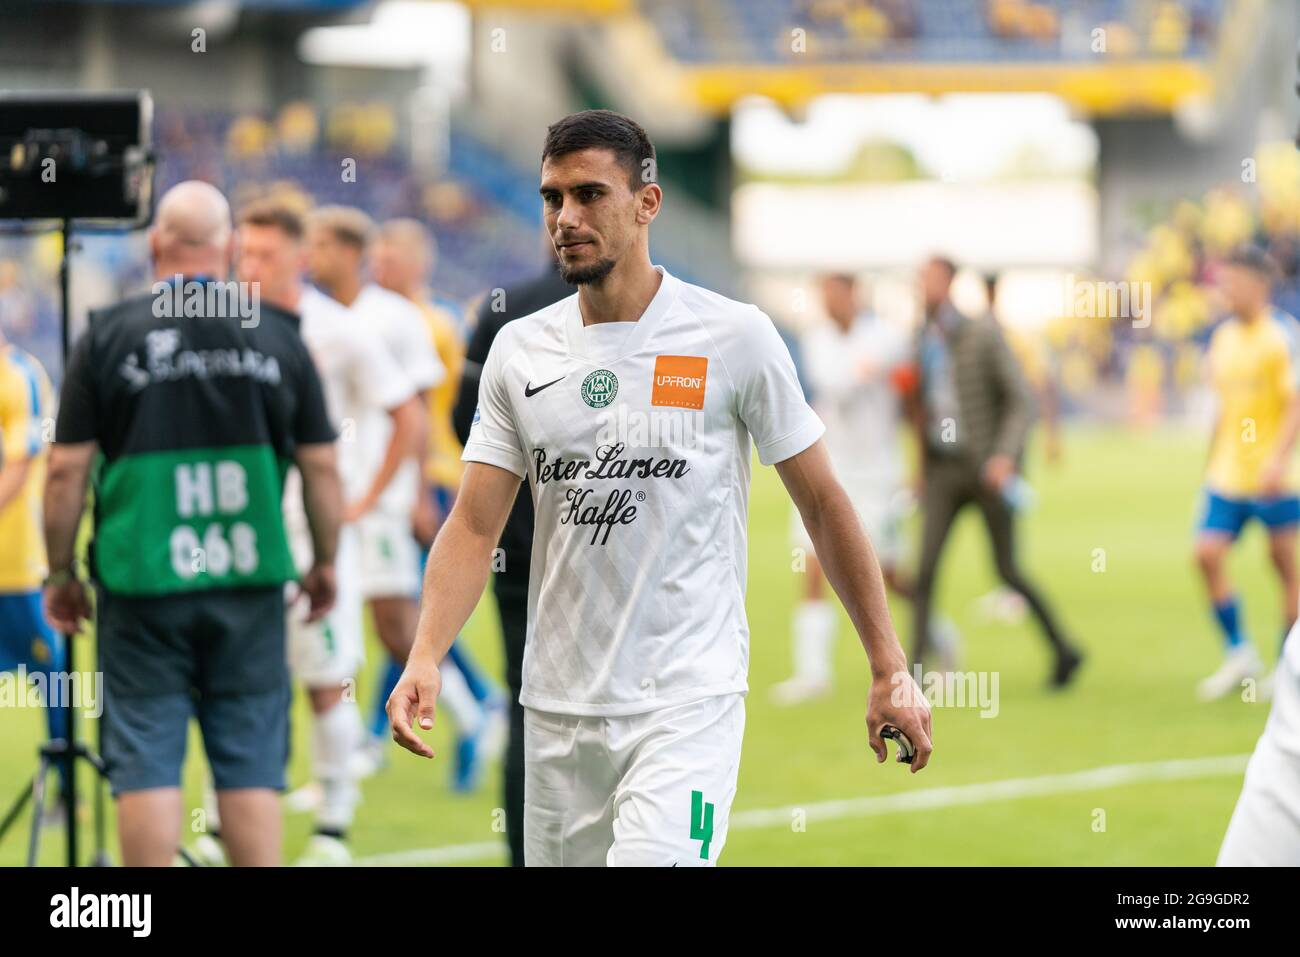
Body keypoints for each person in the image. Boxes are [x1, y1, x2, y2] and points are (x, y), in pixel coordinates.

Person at [389, 109, 932, 867]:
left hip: (688, 702)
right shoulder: (520, 350)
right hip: (556, 708)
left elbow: (822, 502)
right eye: (552, 198)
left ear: (648, 203)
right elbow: (476, 525)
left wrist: (887, 663)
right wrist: (425, 654)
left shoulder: (734, 337)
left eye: (589, 194)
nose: (566, 218)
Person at [43, 181, 342, 866]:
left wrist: (60, 572)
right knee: (248, 756)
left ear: (155, 247)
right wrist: (324, 561)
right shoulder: (279, 333)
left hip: (142, 578)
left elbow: (64, 471)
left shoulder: (107, 333)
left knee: (145, 755)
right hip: (250, 576)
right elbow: (323, 468)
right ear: (230, 249)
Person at [234, 198, 419, 865]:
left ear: (298, 258)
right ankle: (226, 822)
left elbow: (408, 414)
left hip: (315, 535)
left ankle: (332, 825)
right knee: (239, 681)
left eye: (264, 254)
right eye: (243, 252)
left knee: (326, 679)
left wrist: (362, 499)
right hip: (243, 535)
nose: (250, 266)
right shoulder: (228, 323)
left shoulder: (337, 330)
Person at [772, 273, 958, 705]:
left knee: (887, 577)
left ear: (854, 294)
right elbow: (833, 381)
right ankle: (812, 674)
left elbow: (911, 405)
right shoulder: (818, 340)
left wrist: (917, 465)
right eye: (823, 296)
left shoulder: (888, 339)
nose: (828, 303)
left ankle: (942, 637)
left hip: (879, 475)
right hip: (830, 471)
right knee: (812, 567)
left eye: (835, 294)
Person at [369, 218, 505, 791]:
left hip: (434, 475)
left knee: (404, 608)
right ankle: (371, 735)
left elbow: (427, 407)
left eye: (391, 258)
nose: (380, 267)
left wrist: (422, 487)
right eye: (377, 257)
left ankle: (477, 700)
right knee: (395, 605)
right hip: (402, 478)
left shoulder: (432, 322)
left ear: (416, 263)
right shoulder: (387, 317)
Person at [909, 256, 1082, 688]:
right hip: (943, 470)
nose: (922, 286)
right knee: (925, 569)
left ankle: (1064, 650)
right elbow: (923, 407)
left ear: (949, 283)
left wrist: (1004, 457)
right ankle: (909, 672)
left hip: (986, 467)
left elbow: (1020, 400)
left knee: (1007, 569)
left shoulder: (981, 332)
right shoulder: (921, 338)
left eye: (930, 278)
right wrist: (919, 468)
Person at [451, 246, 571, 865]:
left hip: (520, 548)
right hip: (620, 554)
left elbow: (463, 423)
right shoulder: (640, 313)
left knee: (530, 705)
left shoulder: (505, 312)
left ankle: (527, 857)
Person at [303, 207, 443, 727]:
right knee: (333, 619)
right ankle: (352, 743)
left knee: (394, 622)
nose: (309, 255)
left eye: (318, 244)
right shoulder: (311, 316)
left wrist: (420, 492)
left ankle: (473, 716)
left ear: (347, 252)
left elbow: (420, 410)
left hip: (384, 495)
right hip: (335, 494)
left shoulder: (395, 317)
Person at [1194, 244, 1300, 701]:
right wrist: (1210, 456)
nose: (1225, 291)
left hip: (1275, 474)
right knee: (1206, 554)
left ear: (1258, 284)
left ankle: (1286, 664)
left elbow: (1296, 402)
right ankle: (1240, 653)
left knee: (1282, 567)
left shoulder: (1281, 335)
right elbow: (1222, 404)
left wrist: (1278, 458)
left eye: (1232, 282)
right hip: (1228, 473)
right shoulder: (1223, 338)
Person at [0, 334, 69, 817]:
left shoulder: (19, 375)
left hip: (18, 561)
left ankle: (64, 789)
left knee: (51, 674)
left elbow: (19, 467)